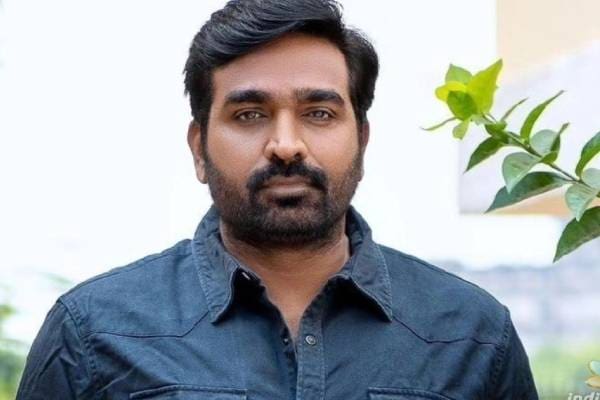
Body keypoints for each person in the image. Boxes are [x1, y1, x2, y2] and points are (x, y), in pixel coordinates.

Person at [17, 0, 539, 399]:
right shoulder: (93, 331)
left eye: (319, 113)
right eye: (249, 115)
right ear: (199, 148)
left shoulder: (471, 335)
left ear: (362, 142)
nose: (286, 144)